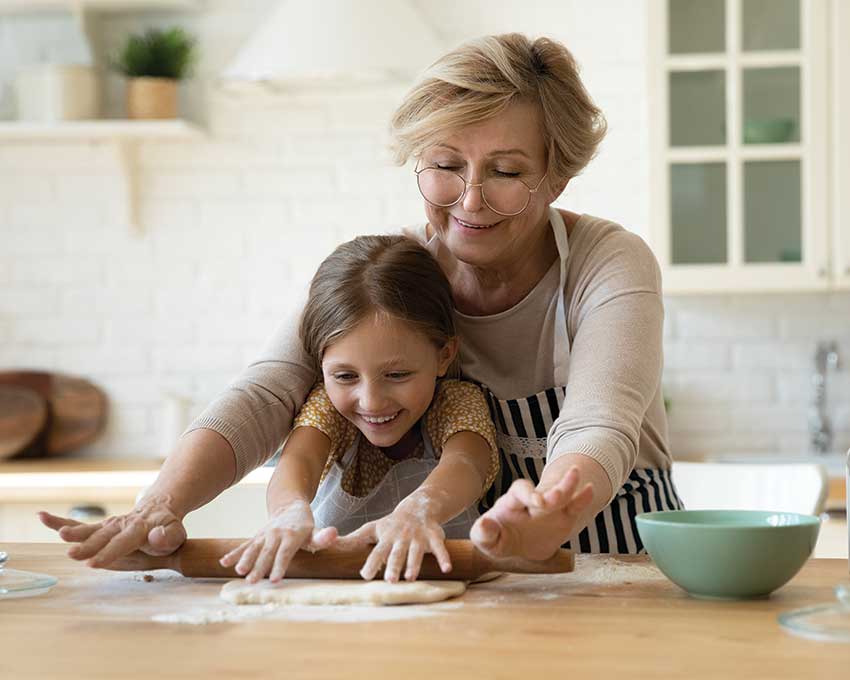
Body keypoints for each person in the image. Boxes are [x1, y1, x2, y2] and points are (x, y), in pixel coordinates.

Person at [40, 32, 681, 569]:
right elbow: (271, 390)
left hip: (621, 566)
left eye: (506, 172)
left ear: (557, 175)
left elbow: (599, 424)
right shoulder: (396, 273)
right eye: (445, 164)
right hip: (491, 574)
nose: (470, 199)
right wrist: (160, 505)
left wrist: (546, 513)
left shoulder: (608, 261)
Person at [217, 234, 506, 583]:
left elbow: (466, 464)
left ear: (444, 355)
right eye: (345, 376)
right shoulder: (329, 408)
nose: (371, 401)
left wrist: (419, 511)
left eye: (397, 374)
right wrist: (287, 511)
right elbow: (299, 461)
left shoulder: (455, 404)